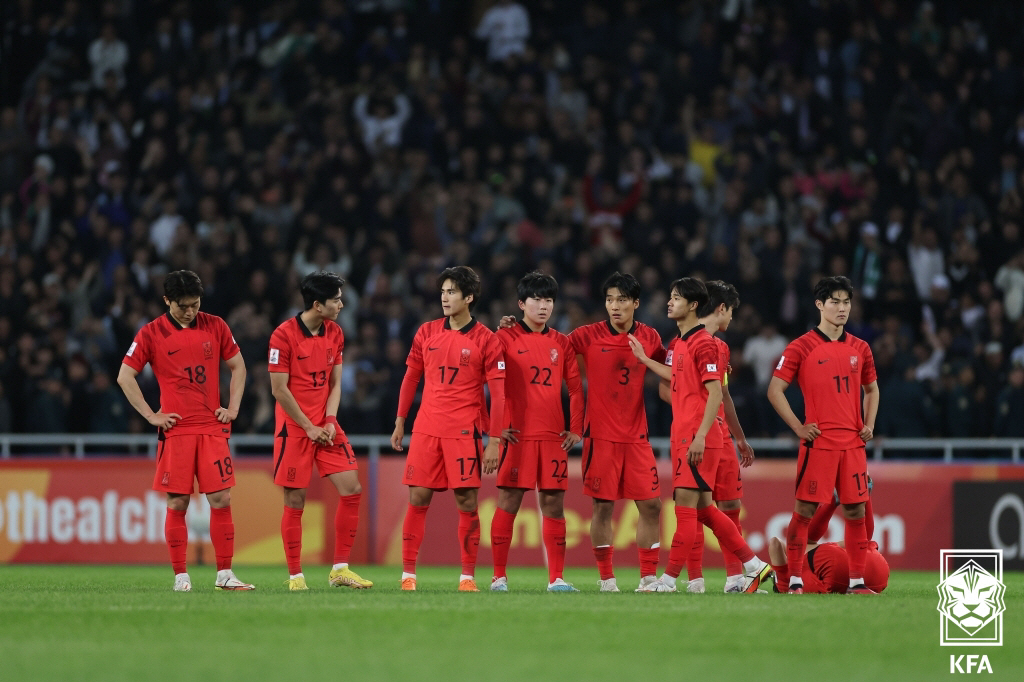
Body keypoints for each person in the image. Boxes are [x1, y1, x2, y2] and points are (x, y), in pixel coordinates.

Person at [629, 277, 773, 593]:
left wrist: (701, 436)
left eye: (676, 298)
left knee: (687, 509)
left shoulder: (706, 344)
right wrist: (644, 360)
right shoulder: (683, 344)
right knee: (704, 510)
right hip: (689, 432)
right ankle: (752, 566)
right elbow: (679, 379)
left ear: (694, 305)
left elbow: (716, 395)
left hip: (696, 435)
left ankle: (669, 581)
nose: (669, 302)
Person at [117, 270, 253, 592]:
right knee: (178, 503)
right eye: (183, 306)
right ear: (167, 301)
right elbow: (125, 376)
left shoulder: (215, 325)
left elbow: (239, 367)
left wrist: (232, 409)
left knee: (221, 498)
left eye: (195, 304)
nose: (191, 311)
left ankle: (225, 575)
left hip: (211, 428)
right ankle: (181, 576)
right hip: (176, 430)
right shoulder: (151, 333)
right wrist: (152, 416)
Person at [391, 266, 506, 592]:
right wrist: (400, 421)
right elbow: (411, 377)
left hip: (463, 431)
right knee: (418, 496)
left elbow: (498, 394)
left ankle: (467, 577)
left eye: (452, 291)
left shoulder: (487, 339)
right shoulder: (426, 332)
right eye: (443, 291)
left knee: (467, 501)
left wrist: (494, 440)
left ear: (468, 297)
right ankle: (408, 576)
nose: (445, 297)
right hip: (427, 428)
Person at [767, 275, 880, 594]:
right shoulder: (801, 346)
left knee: (856, 511)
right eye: (835, 302)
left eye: (846, 302)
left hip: (853, 445)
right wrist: (799, 427)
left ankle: (857, 583)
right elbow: (775, 390)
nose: (842, 308)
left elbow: (872, 390)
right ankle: (794, 580)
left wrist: (869, 423)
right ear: (819, 305)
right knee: (804, 511)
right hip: (819, 445)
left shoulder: (861, 347)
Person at [268, 271, 372, 591]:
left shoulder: (336, 333)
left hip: (325, 424)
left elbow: (336, 382)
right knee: (296, 500)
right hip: (295, 427)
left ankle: (340, 568)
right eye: (336, 299)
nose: (342, 304)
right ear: (318, 304)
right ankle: (296, 577)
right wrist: (308, 426)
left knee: (352, 488)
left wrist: (328, 420)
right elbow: (279, 390)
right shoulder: (282, 336)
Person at [567, 272, 666, 593]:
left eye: (622, 300)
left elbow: (669, 372)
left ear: (635, 303)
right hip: (601, 437)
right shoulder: (588, 335)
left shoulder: (650, 338)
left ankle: (648, 577)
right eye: (609, 300)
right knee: (603, 507)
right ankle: (607, 579)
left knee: (651, 505)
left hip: (637, 437)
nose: (614, 306)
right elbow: (551, 347)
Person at [490, 272, 584, 592]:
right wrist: (496, 427)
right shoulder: (503, 338)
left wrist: (577, 428)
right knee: (509, 501)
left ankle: (556, 579)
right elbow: (489, 381)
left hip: (553, 437)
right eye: (536, 300)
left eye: (548, 301)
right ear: (521, 304)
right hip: (518, 435)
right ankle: (498, 577)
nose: (543, 306)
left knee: (554, 506)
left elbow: (575, 388)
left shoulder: (562, 342)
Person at [684, 280, 756, 593]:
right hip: (695, 433)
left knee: (730, 504)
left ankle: (735, 579)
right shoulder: (684, 342)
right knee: (696, 504)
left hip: (721, 435)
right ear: (721, 308)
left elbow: (723, 395)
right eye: (731, 313)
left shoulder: (721, 348)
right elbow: (667, 389)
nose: (732, 321)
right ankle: (695, 580)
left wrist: (739, 438)